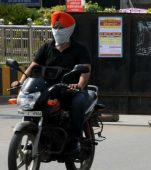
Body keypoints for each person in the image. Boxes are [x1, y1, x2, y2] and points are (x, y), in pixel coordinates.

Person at [11, 11, 91, 155]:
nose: (57, 30)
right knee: (34, 104)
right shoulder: (46, 47)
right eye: (55, 26)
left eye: (61, 27)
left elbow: (85, 71)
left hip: (70, 90)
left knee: (77, 103)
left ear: (69, 29)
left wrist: (79, 85)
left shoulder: (80, 49)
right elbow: (33, 66)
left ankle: (75, 140)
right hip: (48, 89)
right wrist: (21, 81)